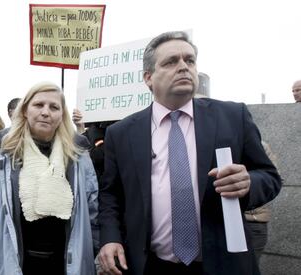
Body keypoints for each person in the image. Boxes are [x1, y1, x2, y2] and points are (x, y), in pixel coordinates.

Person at [97, 31, 282, 275]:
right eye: (171, 62)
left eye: (190, 60)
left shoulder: (232, 116)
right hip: (151, 264)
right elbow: (111, 194)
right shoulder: (121, 133)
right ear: (148, 77)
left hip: (222, 264)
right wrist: (110, 238)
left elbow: (269, 176)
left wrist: (249, 183)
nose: (183, 67)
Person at [0, 82, 99, 275]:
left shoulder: (78, 155)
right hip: (19, 265)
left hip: (68, 265)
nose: (46, 112)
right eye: (39, 105)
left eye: (54, 107)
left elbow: (92, 212)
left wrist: (96, 258)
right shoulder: (3, 155)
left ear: (61, 116)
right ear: (24, 111)